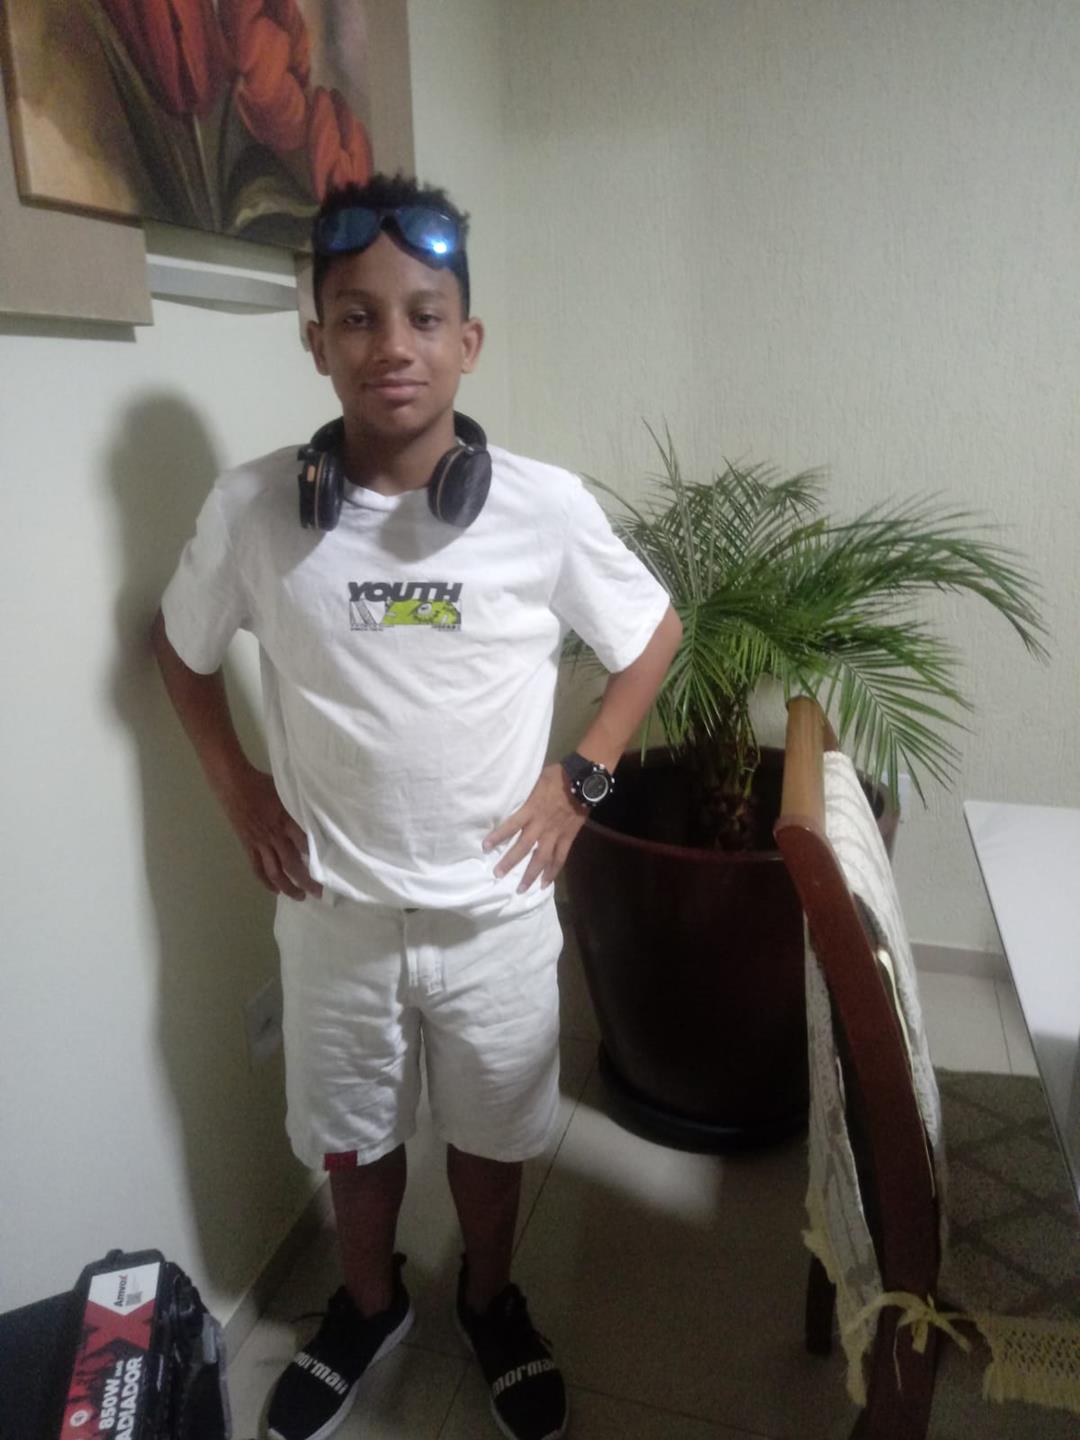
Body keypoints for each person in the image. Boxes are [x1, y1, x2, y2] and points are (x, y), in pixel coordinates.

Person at [152, 172, 682, 1440]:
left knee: (493, 1136)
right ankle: (368, 1303)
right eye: (358, 316)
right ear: (316, 340)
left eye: (423, 316)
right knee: (353, 1136)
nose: (392, 344)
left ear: (468, 339)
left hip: (494, 913)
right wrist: (239, 789)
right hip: (332, 914)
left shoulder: (542, 508)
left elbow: (652, 633)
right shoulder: (251, 510)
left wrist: (580, 780)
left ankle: (490, 1301)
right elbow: (178, 650)